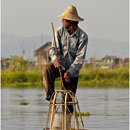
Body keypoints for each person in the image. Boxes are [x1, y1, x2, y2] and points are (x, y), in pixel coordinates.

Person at [43, 5, 88, 113]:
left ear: (71, 22)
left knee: (68, 104)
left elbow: (79, 59)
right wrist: (54, 59)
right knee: (47, 69)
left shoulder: (82, 36)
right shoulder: (59, 32)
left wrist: (70, 72)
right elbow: (53, 49)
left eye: (64, 19)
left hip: (72, 71)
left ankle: (68, 126)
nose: (62, 21)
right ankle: (51, 97)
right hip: (59, 66)